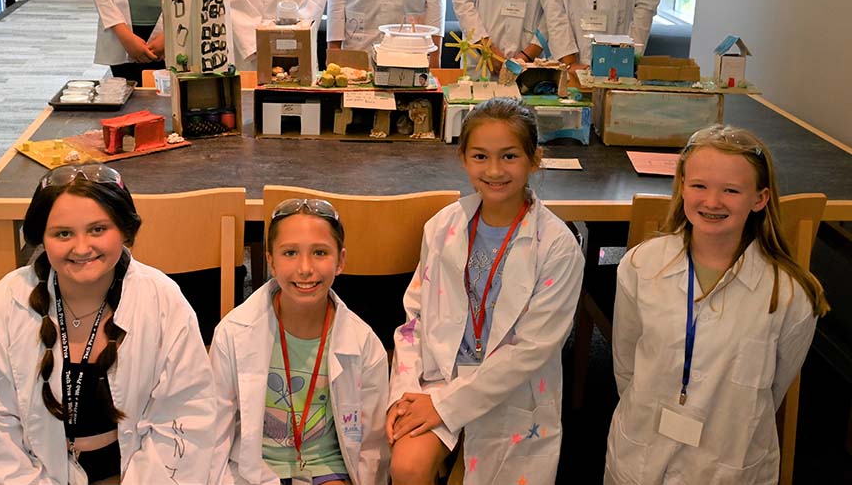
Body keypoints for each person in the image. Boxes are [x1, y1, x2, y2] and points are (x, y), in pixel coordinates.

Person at [0, 163, 215, 484]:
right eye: (63, 233)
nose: (81, 248)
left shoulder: (162, 300)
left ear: (123, 230)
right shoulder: (0, 308)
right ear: (43, 238)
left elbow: (186, 413)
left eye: (97, 229)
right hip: (36, 473)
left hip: (137, 468)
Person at [606, 125, 829, 484]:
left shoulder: (789, 295)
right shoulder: (640, 266)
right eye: (699, 186)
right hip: (642, 453)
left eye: (731, 190)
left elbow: (774, 390)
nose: (712, 202)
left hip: (729, 462)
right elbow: (626, 365)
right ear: (682, 186)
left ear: (759, 199)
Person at [388, 98, 583, 485]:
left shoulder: (557, 246)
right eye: (480, 156)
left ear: (534, 159)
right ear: (463, 158)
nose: (494, 170)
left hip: (511, 388)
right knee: (406, 467)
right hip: (440, 373)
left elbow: (531, 350)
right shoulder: (444, 227)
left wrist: (446, 407)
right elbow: (415, 318)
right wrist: (407, 393)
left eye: (509, 156)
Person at [209, 198, 389, 485]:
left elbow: (371, 446)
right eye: (290, 253)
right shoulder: (232, 333)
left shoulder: (364, 345)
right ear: (270, 260)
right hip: (254, 469)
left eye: (320, 252)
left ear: (341, 261)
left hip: (327, 468)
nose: (305, 268)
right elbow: (216, 429)